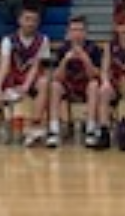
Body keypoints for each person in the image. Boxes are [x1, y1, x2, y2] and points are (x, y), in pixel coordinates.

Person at [0, 5, 51, 146]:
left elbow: (36, 66)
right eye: (27, 19)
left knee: (44, 82)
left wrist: (25, 86)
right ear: (19, 20)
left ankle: (35, 125)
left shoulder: (43, 40)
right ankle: (6, 91)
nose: (30, 23)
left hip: (29, 78)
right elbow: (4, 65)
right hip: (11, 76)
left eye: (34, 20)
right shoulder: (8, 40)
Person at [46, 15, 101, 148]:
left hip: (86, 85)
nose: (77, 34)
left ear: (86, 33)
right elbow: (57, 77)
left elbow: (94, 75)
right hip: (69, 86)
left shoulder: (94, 48)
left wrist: (85, 58)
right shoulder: (62, 49)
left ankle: (90, 130)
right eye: (74, 30)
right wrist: (65, 60)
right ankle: (54, 131)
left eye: (80, 30)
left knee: (94, 85)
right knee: (55, 86)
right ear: (68, 33)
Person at [97, 17, 125, 150]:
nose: (123, 28)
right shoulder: (110, 45)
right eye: (121, 24)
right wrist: (105, 82)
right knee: (104, 91)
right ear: (116, 27)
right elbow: (104, 69)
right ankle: (104, 133)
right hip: (115, 84)